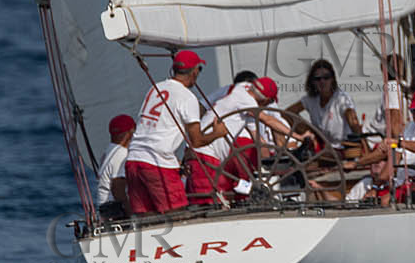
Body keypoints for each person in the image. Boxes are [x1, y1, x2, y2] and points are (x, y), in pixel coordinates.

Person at [125, 50, 229, 214]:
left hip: (133, 161)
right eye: (199, 69)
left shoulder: (155, 88)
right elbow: (196, 141)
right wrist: (218, 133)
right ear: (194, 71)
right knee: (178, 215)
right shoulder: (187, 98)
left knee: (145, 218)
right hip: (157, 164)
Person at [203, 76, 301, 195]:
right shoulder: (247, 102)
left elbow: (258, 139)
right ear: (266, 100)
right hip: (207, 151)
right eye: (269, 103)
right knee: (206, 198)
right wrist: (298, 136)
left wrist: (264, 170)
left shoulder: (244, 97)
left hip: (214, 154)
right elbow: (268, 120)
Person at [285, 59, 362, 147]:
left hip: (342, 146)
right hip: (322, 145)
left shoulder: (342, 98)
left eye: (326, 77)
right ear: (313, 82)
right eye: (318, 78)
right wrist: (307, 131)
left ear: (332, 79)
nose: (322, 81)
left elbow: (353, 120)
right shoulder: (311, 99)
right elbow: (287, 113)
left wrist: (362, 143)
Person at [95, 115, 135, 221]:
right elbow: (118, 188)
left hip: (104, 210)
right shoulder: (121, 153)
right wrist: (132, 217)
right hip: (114, 213)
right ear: (130, 132)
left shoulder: (109, 151)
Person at [373, 53, 407, 137]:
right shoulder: (404, 86)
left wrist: (396, 146)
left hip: (380, 137)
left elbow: (394, 124)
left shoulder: (392, 87)